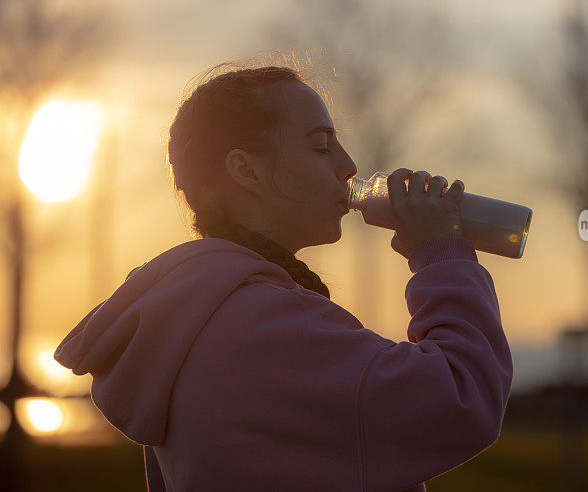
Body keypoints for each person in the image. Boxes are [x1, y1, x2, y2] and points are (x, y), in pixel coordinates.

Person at [54, 64, 513, 491]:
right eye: (320, 145)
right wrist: (440, 255)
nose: (349, 163)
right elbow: (461, 398)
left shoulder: (192, 314)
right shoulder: (257, 323)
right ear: (247, 170)